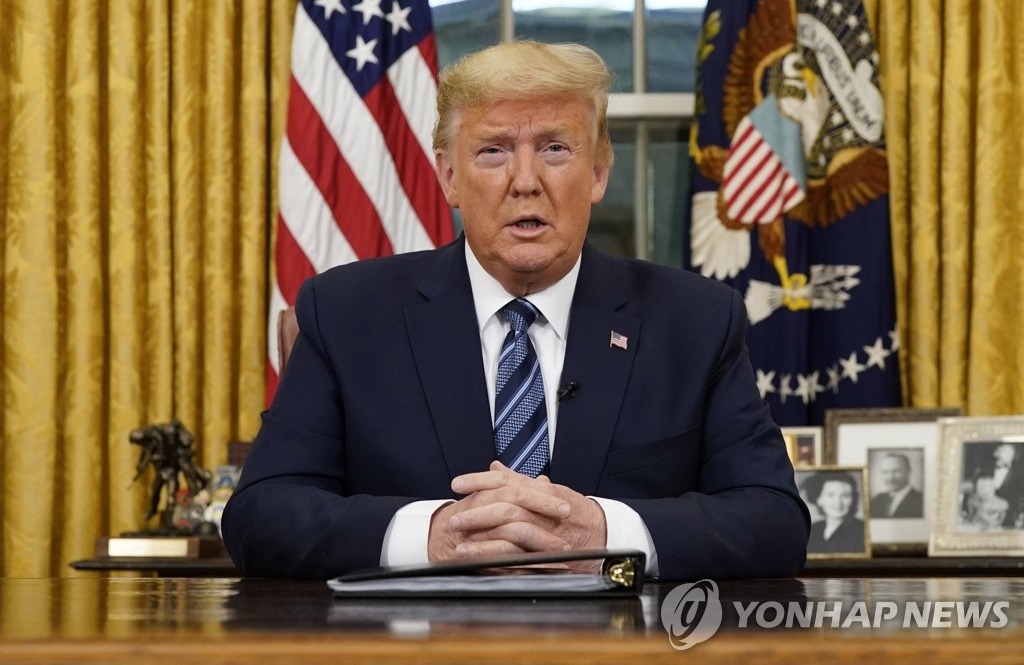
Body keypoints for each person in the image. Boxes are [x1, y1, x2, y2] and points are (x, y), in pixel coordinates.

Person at [221, 40, 810, 580]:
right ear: (449, 177)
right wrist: (434, 537)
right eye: (493, 151)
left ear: (598, 173)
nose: (525, 181)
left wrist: (605, 535)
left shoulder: (695, 321)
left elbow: (774, 521)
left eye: (555, 149)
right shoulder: (346, 314)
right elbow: (261, 515)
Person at [803, 471, 865, 554]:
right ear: (819, 499)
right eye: (831, 495)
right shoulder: (813, 529)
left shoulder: (861, 530)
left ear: (853, 499)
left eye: (845, 496)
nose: (838, 502)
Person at [870, 452, 924, 518]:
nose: (890, 478)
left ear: (908, 471)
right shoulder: (878, 499)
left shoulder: (921, 501)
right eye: (886, 472)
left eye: (896, 471)